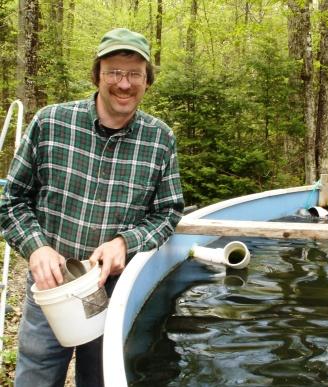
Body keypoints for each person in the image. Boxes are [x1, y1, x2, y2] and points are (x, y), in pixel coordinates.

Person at [0, 28, 184, 386]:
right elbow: (11, 200)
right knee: (36, 377)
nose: (124, 84)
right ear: (98, 74)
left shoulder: (160, 138)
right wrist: (36, 248)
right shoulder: (50, 123)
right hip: (50, 289)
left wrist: (125, 243)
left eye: (135, 74)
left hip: (112, 293)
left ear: (147, 80)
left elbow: (168, 213)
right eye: (114, 71)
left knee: (101, 378)